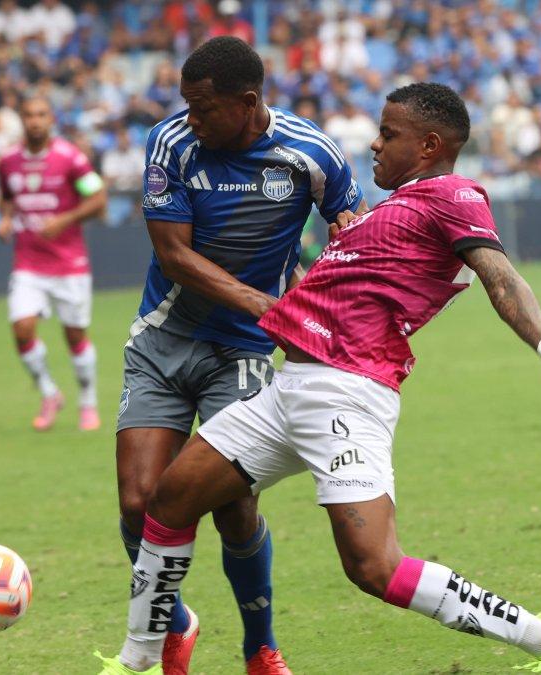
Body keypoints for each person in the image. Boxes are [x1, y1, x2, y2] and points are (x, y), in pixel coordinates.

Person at [97, 83, 541, 675]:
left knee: (374, 567)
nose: (375, 143)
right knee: (170, 499)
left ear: (430, 145)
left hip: (346, 394)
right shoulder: (388, 212)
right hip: (289, 390)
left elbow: (500, 275)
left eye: (389, 134)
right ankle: (139, 664)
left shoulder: (453, 194)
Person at [103, 37, 366, 675]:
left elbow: (352, 230)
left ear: (247, 103)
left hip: (244, 353)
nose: (191, 118)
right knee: (140, 504)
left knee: (232, 505)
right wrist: (265, 304)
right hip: (165, 339)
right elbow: (173, 254)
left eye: (204, 108)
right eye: (187, 105)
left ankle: (260, 647)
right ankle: (176, 620)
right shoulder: (172, 142)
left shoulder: (312, 153)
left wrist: (337, 269)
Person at [0, 96, 108, 431]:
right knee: (21, 328)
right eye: (29, 115)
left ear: (51, 119)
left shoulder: (70, 158)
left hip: (69, 263)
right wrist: (5, 219)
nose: (35, 121)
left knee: (75, 336)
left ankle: (87, 402)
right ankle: (49, 393)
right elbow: (7, 197)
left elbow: (98, 198)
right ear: (21, 119)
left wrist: (64, 220)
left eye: (41, 115)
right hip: (28, 262)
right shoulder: (8, 161)